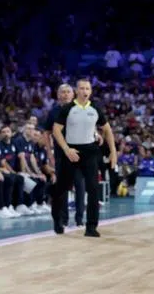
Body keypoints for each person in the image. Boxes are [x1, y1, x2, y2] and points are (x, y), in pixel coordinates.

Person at [51, 79, 117, 238]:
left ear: (91, 91)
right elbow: (56, 130)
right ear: (77, 91)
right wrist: (66, 149)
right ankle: (57, 220)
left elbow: (107, 129)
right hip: (71, 151)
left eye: (87, 88)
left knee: (93, 188)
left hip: (90, 151)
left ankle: (91, 226)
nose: (85, 91)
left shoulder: (95, 109)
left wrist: (113, 151)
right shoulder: (67, 108)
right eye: (81, 88)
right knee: (62, 187)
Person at [44, 83, 85, 227]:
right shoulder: (53, 111)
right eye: (63, 92)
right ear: (58, 95)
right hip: (60, 154)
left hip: (78, 153)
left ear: (73, 94)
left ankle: (79, 219)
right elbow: (47, 133)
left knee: (79, 186)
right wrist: (49, 152)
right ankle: (64, 219)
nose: (65, 94)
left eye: (68, 92)